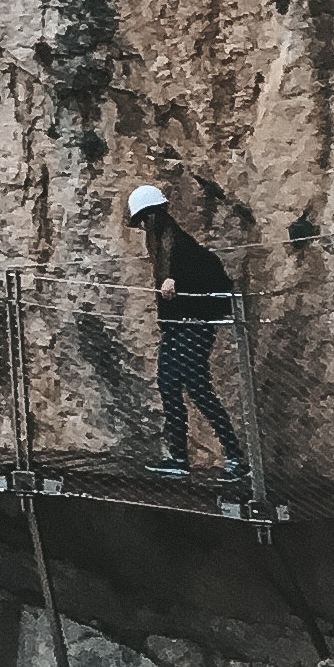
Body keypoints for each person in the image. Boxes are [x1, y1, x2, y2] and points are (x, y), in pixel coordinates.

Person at [129, 184, 246, 479]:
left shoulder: (180, 247)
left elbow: (202, 273)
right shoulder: (165, 248)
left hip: (191, 328)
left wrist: (176, 280)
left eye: (144, 219)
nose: (143, 226)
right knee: (177, 387)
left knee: (193, 389)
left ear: (154, 216)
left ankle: (231, 457)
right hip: (179, 330)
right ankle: (184, 457)